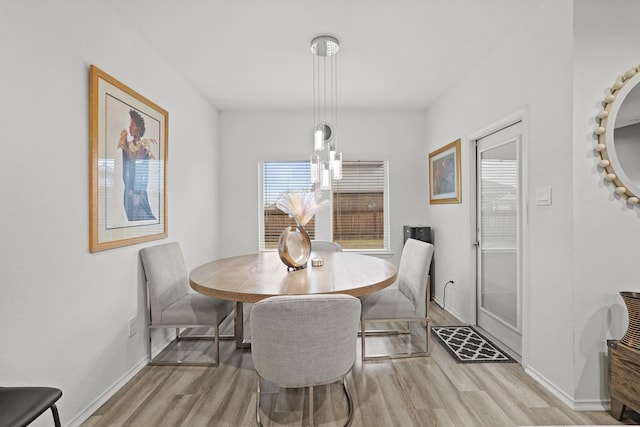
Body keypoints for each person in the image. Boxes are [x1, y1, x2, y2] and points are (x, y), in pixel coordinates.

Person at [117, 109, 157, 221]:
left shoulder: (144, 148)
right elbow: (125, 170)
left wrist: (139, 195)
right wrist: (130, 191)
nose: (130, 127)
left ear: (138, 129)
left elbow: (145, 173)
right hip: (129, 192)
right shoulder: (126, 146)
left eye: (132, 125)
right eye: (129, 125)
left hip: (141, 194)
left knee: (146, 218)